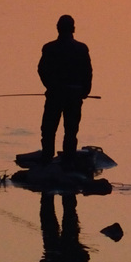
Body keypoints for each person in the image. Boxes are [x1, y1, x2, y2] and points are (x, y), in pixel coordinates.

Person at [38, 13, 93, 162]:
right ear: (73, 29)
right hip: (74, 95)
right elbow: (88, 72)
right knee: (71, 130)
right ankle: (69, 160)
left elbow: (41, 70)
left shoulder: (49, 48)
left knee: (49, 129)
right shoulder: (82, 49)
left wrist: (50, 86)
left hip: (55, 95)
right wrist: (85, 91)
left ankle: (47, 159)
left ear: (57, 28)